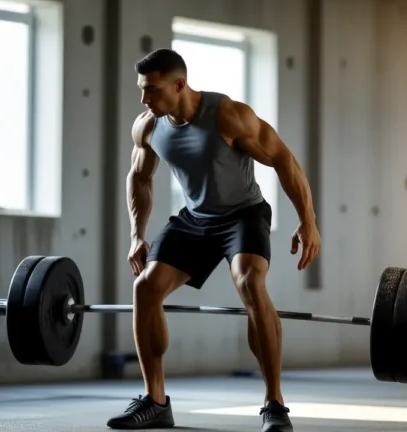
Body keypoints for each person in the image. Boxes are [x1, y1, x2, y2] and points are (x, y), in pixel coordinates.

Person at [106, 48, 321, 432]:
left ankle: (274, 403)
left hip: (243, 214)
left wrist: (308, 221)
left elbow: (283, 159)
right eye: (142, 90)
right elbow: (139, 177)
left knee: (250, 281)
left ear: (179, 84)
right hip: (195, 219)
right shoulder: (149, 127)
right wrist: (137, 234)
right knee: (145, 287)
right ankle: (155, 401)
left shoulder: (228, 115)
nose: (144, 99)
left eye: (152, 90)